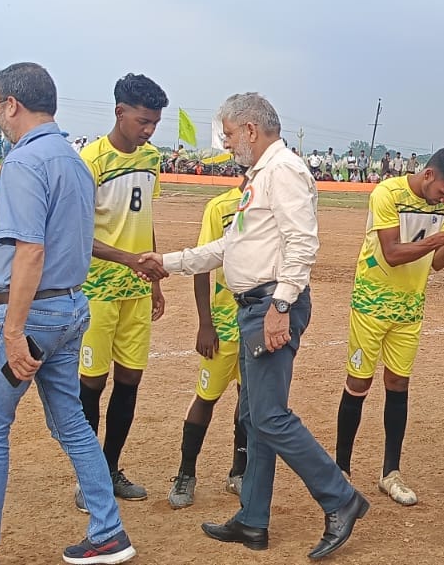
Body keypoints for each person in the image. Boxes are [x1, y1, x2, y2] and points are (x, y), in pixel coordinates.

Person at [0, 62, 137, 565]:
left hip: (30, 314)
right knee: (72, 424)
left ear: (12, 104)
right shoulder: (74, 160)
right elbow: (52, 241)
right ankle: (108, 530)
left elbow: (32, 251)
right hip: (68, 307)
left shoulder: (22, 163)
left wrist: (13, 330)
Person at [149, 92, 369, 560]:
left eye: (229, 134)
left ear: (250, 129)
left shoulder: (283, 170)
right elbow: (229, 246)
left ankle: (341, 498)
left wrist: (280, 306)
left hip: (270, 304)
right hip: (254, 306)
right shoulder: (261, 176)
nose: (227, 144)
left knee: (268, 416)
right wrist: (166, 262)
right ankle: (253, 518)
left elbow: (303, 243)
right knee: (255, 417)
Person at [333, 148, 444, 506]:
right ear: (428, 175)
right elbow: (392, 253)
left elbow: (437, 263)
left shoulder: (443, 203)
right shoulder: (387, 194)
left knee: (398, 385)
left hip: (410, 306)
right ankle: (341, 472)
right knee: (358, 383)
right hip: (372, 302)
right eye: (443, 192)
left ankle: (390, 473)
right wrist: (440, 238)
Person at [76, 74, 169, 508]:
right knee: (92, 384)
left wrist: (153, 278)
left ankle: (111, 467)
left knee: (129, 380)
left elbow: (145, 219)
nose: (149, 130)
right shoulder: (90, 161)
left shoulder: (151, 160)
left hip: (136, 289)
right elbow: (76, 234)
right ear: (119, 112)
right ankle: (88, 478)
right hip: (96, 291)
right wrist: (128, 259)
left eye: (155, 123)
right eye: (143, 120)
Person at [167, 187, 249, 509]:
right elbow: (202, 265)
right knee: (206, 397)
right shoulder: (220, 207)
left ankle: (239, 472)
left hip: (257, 323)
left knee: (248, 399)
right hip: (225, 324)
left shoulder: (275, 200)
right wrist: (205, 323)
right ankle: (186, 473)